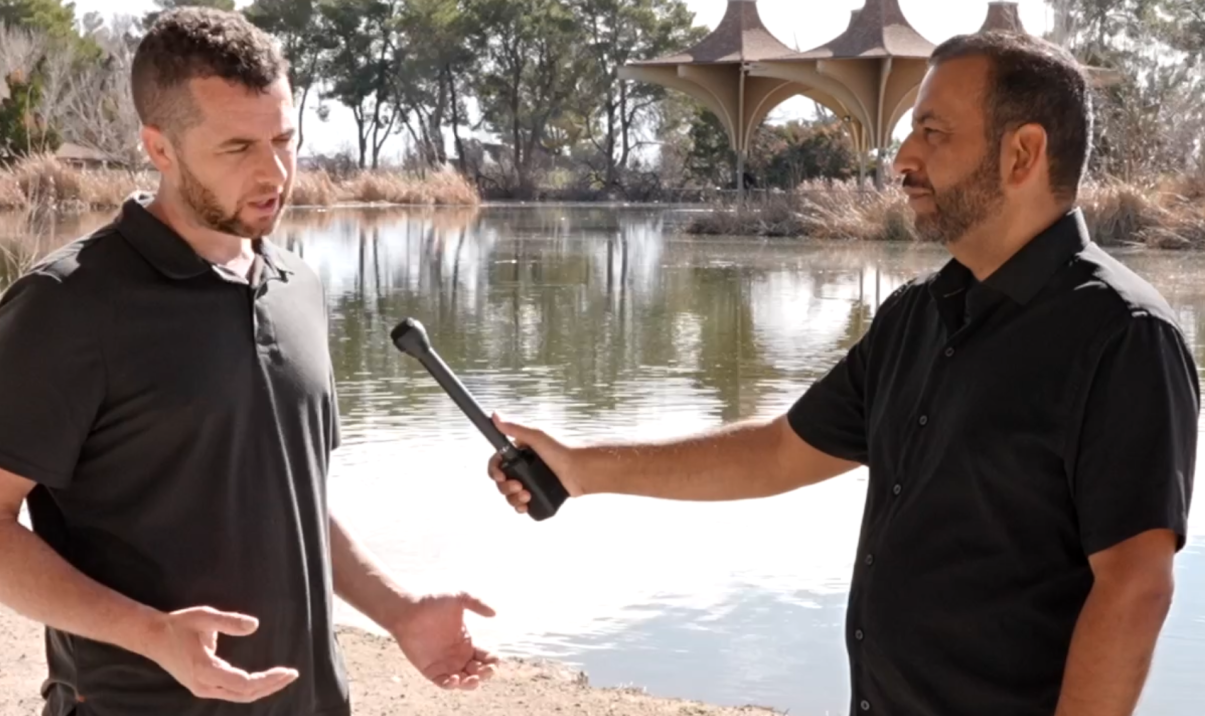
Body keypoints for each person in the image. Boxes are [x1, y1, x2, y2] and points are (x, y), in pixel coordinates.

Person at [488, 30, 1199, 716]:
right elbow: (776, 453)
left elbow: (1134, 589)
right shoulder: (916, 317)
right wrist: (581, 469)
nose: (902, 161)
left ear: (1023, 154)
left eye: (933, 132)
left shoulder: (1124, 337)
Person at [0, 8, 497, 716]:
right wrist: (151, 634)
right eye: (237, 148)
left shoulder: (298, 287)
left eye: (284, 138)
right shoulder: (70, 303)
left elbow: (281, 493)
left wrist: (398, 608)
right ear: (160, 148)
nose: (275, 172)